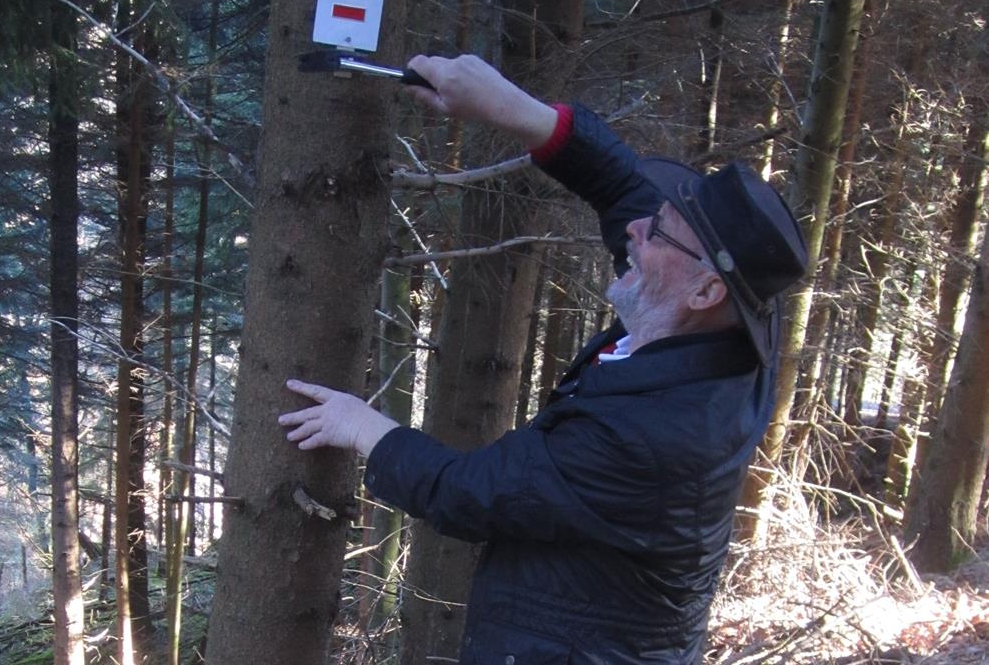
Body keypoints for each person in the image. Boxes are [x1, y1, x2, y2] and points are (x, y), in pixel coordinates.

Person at [277, 55, 808, 664]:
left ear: (706, 291)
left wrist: (364, 427)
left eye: (657, 232)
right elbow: (622, 190)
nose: (634, 230)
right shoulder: (721, 323)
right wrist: (509, 106)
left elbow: (468, 494)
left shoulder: (656, 437)